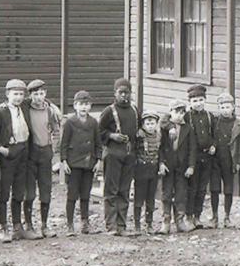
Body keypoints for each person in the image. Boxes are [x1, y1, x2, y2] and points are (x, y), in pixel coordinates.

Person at [0, 79, 32, 241]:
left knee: (19, 191)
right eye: (15, 94)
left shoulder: (25, 108)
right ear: (7, 94)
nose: (18, 97)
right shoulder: (0, 112)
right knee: (4, 193)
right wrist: (2, 149)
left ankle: (17, 226)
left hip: (23, 153)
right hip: (7, 156)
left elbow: (41, 101)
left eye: (21, 94)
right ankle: (3, 227)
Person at [97, 78, 138, 235]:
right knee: (111, 191)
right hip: (113, 154)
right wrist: (112, 136)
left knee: (124, 190)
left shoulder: (134, 110)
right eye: (121, 93)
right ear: (115, 93)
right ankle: (111, 226)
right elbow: (99, 132)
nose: (124, 96)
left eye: (127, 93)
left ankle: (122, 225)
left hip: (129, 156)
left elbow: (139, 129)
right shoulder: (109, 111)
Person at [24, 79, 63, 240]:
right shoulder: (25, 108)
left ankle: (45, 225)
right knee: (30, 192)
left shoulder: (50, 110)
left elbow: (56, 131)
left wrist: (54, 152)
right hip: (30, 154)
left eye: (41, 93)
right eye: (35, 94)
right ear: (30, 95)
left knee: (46, 190)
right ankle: (29, 225)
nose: (39, 97)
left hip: (45, 153)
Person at [58, 90, 100, 235]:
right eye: (81, 104)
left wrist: (98, 160)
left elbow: (98, 143)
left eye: (87, 104)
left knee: (85, 195)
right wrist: (64, 161)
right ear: (75, 106)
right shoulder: (70, 122)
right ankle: (70, 225)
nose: (84, 107)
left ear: (90, 106)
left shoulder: (94, 122)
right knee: (72, 195)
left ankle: (85, 223)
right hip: (74, 164)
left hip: (89, 164)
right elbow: (63, 143)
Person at [179, 84, 216, 229]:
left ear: (205, 100)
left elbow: (214, 134)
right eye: (194, 101)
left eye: (201, 100)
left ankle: (197, 216)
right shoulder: (186, 117)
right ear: (190, 103)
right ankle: (188, 216)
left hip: (206, 157)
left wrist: (213, 145)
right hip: (192, 157)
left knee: (202, 188)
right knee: (192, 188)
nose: (198, 103)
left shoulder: (209, 116)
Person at [210, 92, 240, 228]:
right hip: (215, 160)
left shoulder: (239, 124)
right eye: (222, 107)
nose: (225, 110)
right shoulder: (214, 121)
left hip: (230, 160)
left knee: (228, 188)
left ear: (233, 107)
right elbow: (209, 136)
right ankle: (214, 216)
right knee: (214, 188)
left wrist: (239, 161)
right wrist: (212, 145)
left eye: (228, 107)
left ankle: (227, 217)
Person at [160, 100, 192, 233]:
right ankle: (166, 221)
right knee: (166, 193)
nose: (179, 115)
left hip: (182, 167)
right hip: (167, 166)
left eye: (182, 113)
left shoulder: (188, 128)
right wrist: (161, 163)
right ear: (170, 112)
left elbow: (192, 149)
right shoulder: (164, 127)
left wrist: (191, 166)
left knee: (180, 193)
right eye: (176, 112)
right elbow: (159, 147)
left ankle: (180, 220)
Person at [132, 111, 163, 235]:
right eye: (148, 123)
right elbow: (133, 151)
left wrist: (160, 164)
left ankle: (149, 223)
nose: (150, 126)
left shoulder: (158, 136)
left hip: (153, 170)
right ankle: (137, 224)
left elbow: (161, 152)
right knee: (139, 199)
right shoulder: (139, 136)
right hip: (141, 170)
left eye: (153, 123)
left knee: (151, 199)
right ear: (143, 124)